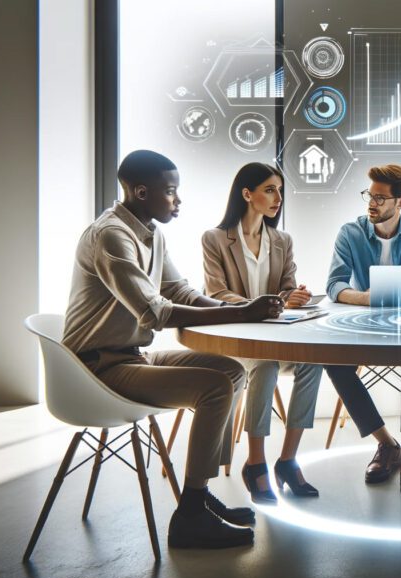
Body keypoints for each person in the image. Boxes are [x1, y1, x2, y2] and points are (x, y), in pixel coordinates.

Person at [63, 150, 284, 549]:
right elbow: (156, 312)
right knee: (214, 388)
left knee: (231, 371)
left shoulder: (151, 231)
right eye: (171, 192)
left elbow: (179, 291)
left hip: (130, 356)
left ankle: (196, 496)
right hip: (95, 370)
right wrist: (239, 315)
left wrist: (237, 309)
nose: (178, 200)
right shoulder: (111, 235)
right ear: (140, 191)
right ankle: (191, 516)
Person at [202, 162, 323, 503]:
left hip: (274, 339)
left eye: (280, 191)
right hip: (237, 342)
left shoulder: (282, 240)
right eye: (270, 190)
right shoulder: (215, 239)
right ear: (247, 194)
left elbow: (285, 290)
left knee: (314, 362)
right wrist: (263, 304)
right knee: (265, 365)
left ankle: (288, 460)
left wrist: (293, 296)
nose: (277, 198)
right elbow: (215, 294)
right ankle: (256, 463)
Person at [323, 164, 401, 497]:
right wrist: (366, 299)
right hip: (365, 323)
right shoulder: (350, 233)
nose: (371, 203)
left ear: (400, 202)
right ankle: (386, 444)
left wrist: (390, 294)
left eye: (380, 198)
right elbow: (334, 285)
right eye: (369, 195)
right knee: (334, 362)